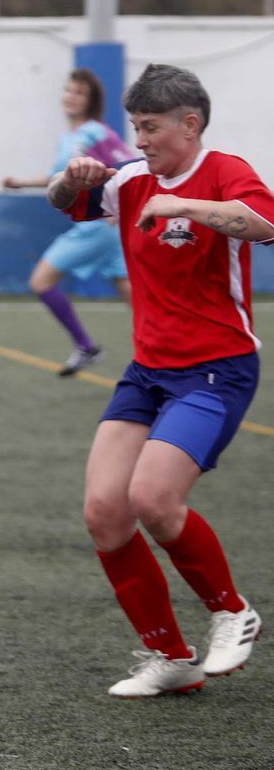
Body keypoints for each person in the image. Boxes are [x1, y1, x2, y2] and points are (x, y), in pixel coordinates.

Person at [47, 63, 269, 698]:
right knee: (104, 513)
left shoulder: (224, 171)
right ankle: (170, 658)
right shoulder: (131, 180)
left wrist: (188, 205)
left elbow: (268, 224)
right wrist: (72, 179)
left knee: (153, 499)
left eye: (150, 128)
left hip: (216, 369)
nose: (139, 141)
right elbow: (65, 206)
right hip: (147, 374)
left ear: (189, 124)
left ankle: (231, 610)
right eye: (135, 128)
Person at [5, 68, 138, 376]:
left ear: (90, 101)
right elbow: (62, 178)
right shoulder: (70, 138)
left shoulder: (96, 132)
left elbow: (130, 165)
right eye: (68, 90)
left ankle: (85, 346)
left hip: (97, 226)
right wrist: (22, 183)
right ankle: (166, 348)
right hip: (106, 229)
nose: (71, 96)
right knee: (129, 291)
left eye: (79, 92)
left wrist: (118, 209)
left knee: (40, 281)